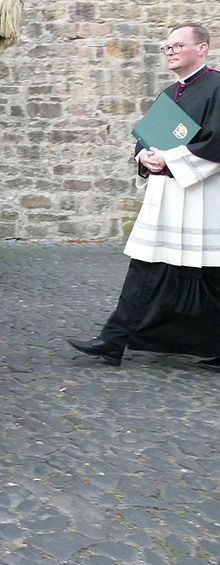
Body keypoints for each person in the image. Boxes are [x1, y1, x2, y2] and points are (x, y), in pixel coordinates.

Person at [69, 23, 220, 372]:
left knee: (210, 275)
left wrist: (171, 158)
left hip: (203, 199)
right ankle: (114, 338)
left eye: (178, 45)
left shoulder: (216, 86)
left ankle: (118, 339)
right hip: (167, 194)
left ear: (203, 48)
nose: (170, 51)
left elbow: (216, 142)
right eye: (167, 47)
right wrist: (145, 156)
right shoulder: (170, 93)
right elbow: (147, 137)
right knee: (146, 266)